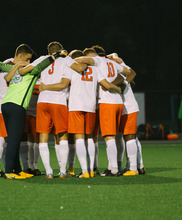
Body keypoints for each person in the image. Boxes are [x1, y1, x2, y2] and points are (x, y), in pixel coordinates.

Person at [39, 49, 122, 178]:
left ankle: (84, 171)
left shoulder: (71, 68)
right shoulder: (95, 69)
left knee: (79, 139)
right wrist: (118, 89)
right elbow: (106, 84)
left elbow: (63, 84)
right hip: (91, 106)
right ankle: (91, 169)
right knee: (90, 138)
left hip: (75, 106)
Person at [0, 43, 64, 179]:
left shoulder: (15, 70)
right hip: (17, 106)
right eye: (27, 60)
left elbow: (0, 66)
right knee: (14, 141)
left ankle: (17, 170)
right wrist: (54, 56)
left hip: (5, 104)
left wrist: (16, 65)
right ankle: (9, 171)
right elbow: (41, 66)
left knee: (13, 140)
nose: (28, 62)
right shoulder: (31, 71)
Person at [26, 41, 87, 179]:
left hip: (42, 102)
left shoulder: (43, 59)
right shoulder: (65, 59)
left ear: (49, 52)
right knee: (62, 136)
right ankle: (63, 171)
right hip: (58, 102)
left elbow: (26, 69)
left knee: (43, 137)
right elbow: (65, 82)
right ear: (61, 51)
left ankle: (48, 171)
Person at [74, 48, 130, 176]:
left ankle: (114, 169)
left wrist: (68, 61)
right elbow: (127, 72)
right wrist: (119, 85)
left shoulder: (97, 61)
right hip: (118, 103)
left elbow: (81, 59)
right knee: (113, 136)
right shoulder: (112, 63)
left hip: (106, 103)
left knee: (108, 137)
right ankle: (111, 166)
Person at [107, 53, 146, 176]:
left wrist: (122, 84)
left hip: (128, 107)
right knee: (129, 138)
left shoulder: (116, 64)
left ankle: (134, 168)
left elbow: (132, 73)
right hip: (123, 107)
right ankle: (138, 166)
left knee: (130, 137)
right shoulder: (113, 66)